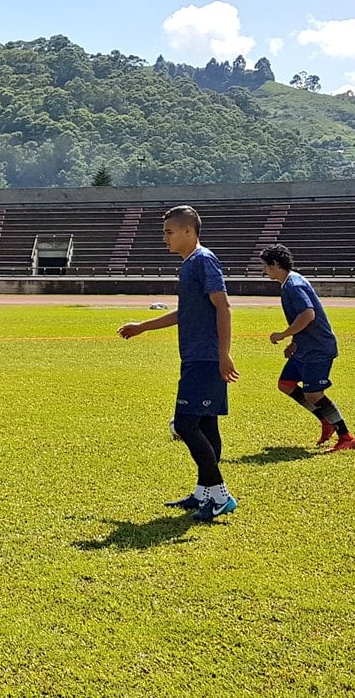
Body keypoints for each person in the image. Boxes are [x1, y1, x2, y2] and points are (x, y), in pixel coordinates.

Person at [118, 205, 240, 522]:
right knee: (205, 424)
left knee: (186, 425)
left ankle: (221, 495)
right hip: (195, 356)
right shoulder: (189, 265)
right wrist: (143, 326)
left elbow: (224, 307)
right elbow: (183, 313)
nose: (164, 239)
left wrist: (224, 354)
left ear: (188, 231)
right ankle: (203, 492)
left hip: (206, 358)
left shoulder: (203, 260)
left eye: (169, 232)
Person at [260, 244, 355, 452]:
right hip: (305, 347)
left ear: (275, 264)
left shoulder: (293, 285)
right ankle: (326, 420)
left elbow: (308, 315)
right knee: (286, 384)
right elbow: (302, 318)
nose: (264, 271)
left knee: (314, 394)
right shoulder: (289, 283)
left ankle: (346, 437)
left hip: (318, 349)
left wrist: (283, 334)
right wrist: (294, 341)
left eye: (266, 267)